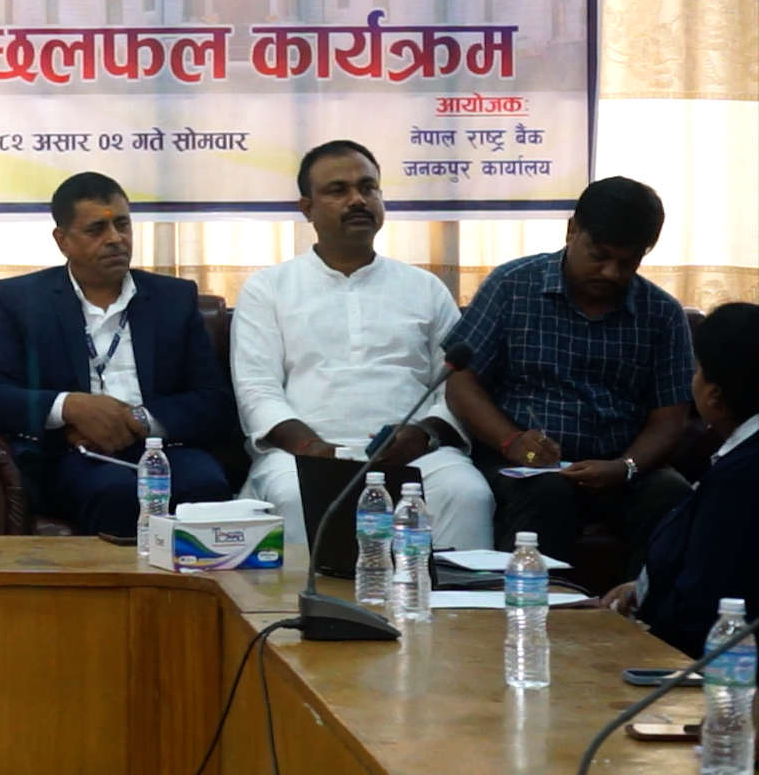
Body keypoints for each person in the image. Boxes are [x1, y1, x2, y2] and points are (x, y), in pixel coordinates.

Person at [233, 141, 493, 548]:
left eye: (368, 188)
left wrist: (422, 434)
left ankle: (452, 595)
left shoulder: (424, 287)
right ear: (307, 208)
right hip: (303, 454)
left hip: (416, 454)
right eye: (337, 190)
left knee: (467, 494)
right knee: (293, 496)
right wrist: (313, 448)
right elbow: (257, 390)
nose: (357, 200)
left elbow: (454, 386)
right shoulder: (269, 288)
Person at [0, 172, 235, 536]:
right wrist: (70, 407)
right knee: (115, 493)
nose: (116, 239)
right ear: (63, 240)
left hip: (162, 448)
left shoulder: (173, 299)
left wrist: (135, 419)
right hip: (74, 456)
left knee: (206, 486)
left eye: (122, 225)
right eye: (96, 230)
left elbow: (214, 400)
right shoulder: (22, 301)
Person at [445, 176, 692, 577]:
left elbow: (669, 419)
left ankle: (643, 610)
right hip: (527, 464)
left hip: (621, 470)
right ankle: (531, 610)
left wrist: (625, 467)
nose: (610, 273)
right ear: (572, 230)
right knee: (547, 492)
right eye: (599, 255)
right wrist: (511, 440)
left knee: (672, 495)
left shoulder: (662, 314)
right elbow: (461, 381)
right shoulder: (511, 286)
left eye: (627, 262)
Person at [603, 303, 759, 657]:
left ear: (715, 396)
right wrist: (641, 590)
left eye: (698, 368)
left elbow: (702, 604)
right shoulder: (737, 461)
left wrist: (640, 630)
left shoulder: (741, 478)